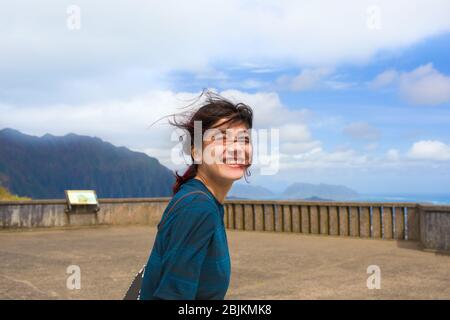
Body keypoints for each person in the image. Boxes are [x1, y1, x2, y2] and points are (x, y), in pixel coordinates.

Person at [139, 90, 253, 300]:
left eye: (244, 140)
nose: (237, 149)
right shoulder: (198, 207)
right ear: (197, 152)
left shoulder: (202, 199)